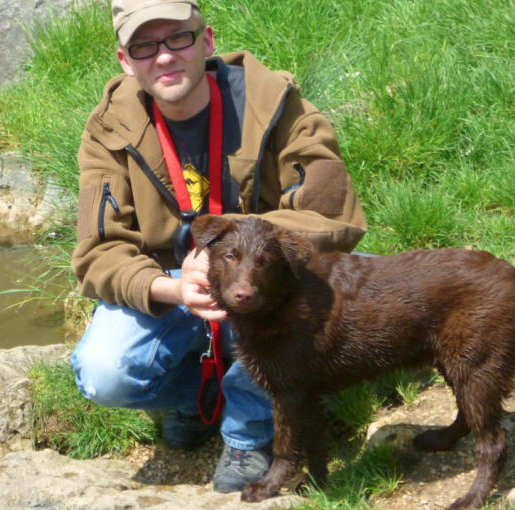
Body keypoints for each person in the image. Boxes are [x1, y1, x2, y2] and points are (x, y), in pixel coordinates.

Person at [70, 0, 367, 493]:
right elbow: (97, 253)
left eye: (177, 39)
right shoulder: (108, 129)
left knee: (339, 289)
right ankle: (197, 398)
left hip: (265, 278)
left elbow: (333, 216)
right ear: (126, 61)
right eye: (144, 46)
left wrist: (233, 245)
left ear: (205, 41)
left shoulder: (273, 101)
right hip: (176, 289)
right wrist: (171, 290)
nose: (163, 57)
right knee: (105, 372)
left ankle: (249, 433)